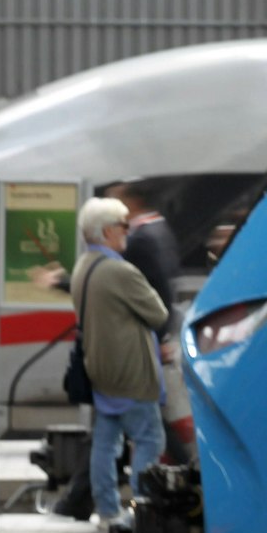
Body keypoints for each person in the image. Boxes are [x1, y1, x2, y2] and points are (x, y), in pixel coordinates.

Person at [73, 197, 168, 532]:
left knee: (105, 441)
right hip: (131, 372)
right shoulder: (120, 271)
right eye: (123, 226)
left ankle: (107, 511)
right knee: (149, 440)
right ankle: (143, 512)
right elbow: (158, 313)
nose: (128, 232)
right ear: (108, 231)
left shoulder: (83, 267)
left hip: (101, 370)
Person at [106, 180, 195, 464]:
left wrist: (156, 337)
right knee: (138, 415)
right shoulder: (160, 229)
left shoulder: (141, 239)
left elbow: (157, 293)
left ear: (131, 203)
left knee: (146, 417)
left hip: (144, 341)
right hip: (153, 337)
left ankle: (183, 468)